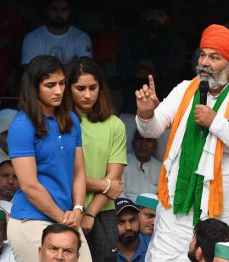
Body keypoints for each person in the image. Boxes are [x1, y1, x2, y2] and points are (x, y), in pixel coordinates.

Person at [135, 24, 229, 260]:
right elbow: (153, 129)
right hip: (178, 203)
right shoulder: (185, 89)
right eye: (203, 54)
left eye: (214, 57)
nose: (204, 62)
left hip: (225, 210)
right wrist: (146, 114)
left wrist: (215, 122)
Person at [6, 55, 91, 262]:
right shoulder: (22, 125)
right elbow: (29, 186)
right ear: (34, 87)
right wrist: (64, 218)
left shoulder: (71, 119)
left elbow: (78, 171)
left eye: (62, 83)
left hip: (68, 219)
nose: (59, 90)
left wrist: (78, 210)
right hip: (31, 218)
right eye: (50, 85)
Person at [66, 57, 127, 261]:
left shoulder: (115, 124)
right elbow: (62, 174)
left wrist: (90, 212)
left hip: (102, 211)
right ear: (68, 89)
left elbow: (115, 179)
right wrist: (103, 184)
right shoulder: (59, 122)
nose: (88, 94)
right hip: (64, 207)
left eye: (93, 87)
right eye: (80, 88)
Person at [117, 1, 186, 113]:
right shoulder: (129, 40)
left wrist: (139, 63)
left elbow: (175, 66)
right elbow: (123, 67)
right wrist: (160, 71)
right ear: (144, 15)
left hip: (166, 102)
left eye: (160, 15)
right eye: (152, 13)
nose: (155, 18)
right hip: (132, 102)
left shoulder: (175, 41)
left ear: (167, 18)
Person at [21, 0, 92, 65]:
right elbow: (30, 73)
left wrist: (43, 69)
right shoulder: (32, 38)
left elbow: (85, 71)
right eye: (54, 9)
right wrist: (71, 66)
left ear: (70, 12)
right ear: (46, 11)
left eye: (64, 10)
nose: (59, 14)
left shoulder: (81, 38)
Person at [121, 130, 161, 201]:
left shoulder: (161, 168)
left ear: (155, 145)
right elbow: (119, 194)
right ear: (133, 143)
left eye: (149, 140)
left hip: (153, 210)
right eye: (140, 139)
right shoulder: (122, 164)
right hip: (128, 209)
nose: (143, 144)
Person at [114, 197, 150, 262]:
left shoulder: (153, 245)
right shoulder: (104, 251)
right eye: (121, 222)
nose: (128, 227)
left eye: (132, 220)